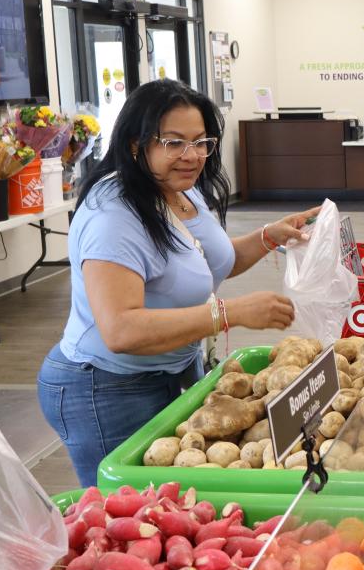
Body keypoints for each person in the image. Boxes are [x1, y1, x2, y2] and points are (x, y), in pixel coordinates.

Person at [37, 79, 315, 486]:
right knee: (123, 515)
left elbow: (209, 265)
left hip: (176, 370)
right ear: (136, 144)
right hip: (105, 388)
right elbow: (120, 329)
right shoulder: (112, 216)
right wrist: (230, 313)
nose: (192, 155)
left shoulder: (181, 190)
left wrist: (269, 236)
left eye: (202, 142)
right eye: (174, 143)